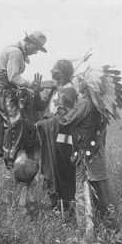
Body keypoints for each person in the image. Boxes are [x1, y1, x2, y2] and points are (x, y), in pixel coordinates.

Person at [59, 69, 121, 236]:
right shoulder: (96, 104)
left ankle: (87, 233)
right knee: (101, 191)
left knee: (83, 192)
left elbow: (65, 121)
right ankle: (111, 226)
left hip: (85, 157)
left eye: (78, 81)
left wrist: (61, 105)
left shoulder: (85, 103)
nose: (75, 83)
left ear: (84, 85)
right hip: (95, 154)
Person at [0, 31, 48, 169]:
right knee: (16, 120)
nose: (36, 52)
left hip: (7, 89)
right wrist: (30, 84)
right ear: (30, 42)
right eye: (36, 48)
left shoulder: (17, 51)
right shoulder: (16, 53)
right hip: (1, 90)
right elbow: (13, 77)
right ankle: (10, 159)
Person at [36, 60, 78, 211]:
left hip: (59, 140)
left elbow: (64, 119)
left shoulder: (69, 90)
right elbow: (41, 107)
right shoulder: (57, 89)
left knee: (58, 170)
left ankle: (63, 208)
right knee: (50, 170)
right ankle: (55, 206)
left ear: (63, 73)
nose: (51, 70)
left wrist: (43, 123)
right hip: (51, 135)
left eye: (54, 68)